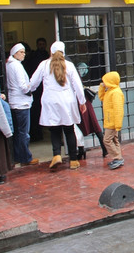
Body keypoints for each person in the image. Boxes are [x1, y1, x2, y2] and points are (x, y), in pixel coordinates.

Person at [30, 41, 87, 170]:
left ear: (51, 51)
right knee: (69, 130)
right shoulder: (70, 65)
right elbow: (78, 85)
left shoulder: (44, 65)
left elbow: (33, 83)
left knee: (54, 130)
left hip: (50, 101)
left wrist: (28, 90)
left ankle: (56, 155)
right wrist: (82, 101)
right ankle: (73, 159)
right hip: (67, 100)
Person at [6, 43, 38, 167]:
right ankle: (25, 157)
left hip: (15, 102)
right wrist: (29, 90)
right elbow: (22, 85)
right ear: (15, 53)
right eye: (21, 52)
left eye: (24, 52)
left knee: (18, 132)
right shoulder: (17, 66)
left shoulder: (9, 65)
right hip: (21, 102)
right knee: (24, 132)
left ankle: (17, 156)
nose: (23, 54)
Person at [98, 71, 125, 170]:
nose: (104, 83)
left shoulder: (116, 93)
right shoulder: (110, 91)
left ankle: (117, 158)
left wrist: (118, 124)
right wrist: (102, 88)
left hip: (112, 122)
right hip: (110, 121)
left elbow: (118, 110)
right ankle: (119, 157)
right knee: (114, 139)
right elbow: (102, 98)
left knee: (107, 140)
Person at [24, 38, 49, 142]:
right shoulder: (35, 57)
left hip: (43, 89)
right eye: (40, 44)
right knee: (36, 112)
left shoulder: (47, 56)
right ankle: (36, 134)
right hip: (37, 90)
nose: (41, 46)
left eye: (43, 44)